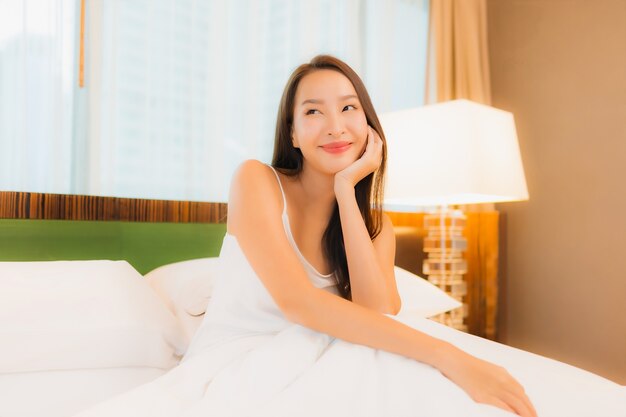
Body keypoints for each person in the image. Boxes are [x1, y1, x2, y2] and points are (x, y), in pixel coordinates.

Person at [73, 55, 539, 417]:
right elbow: (303, 305)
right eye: (313, 112)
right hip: (237, 364)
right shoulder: (255, 181)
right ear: (293, 133)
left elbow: (376, 314)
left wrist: (345, 193)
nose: (335, 126)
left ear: (369, 127)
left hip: (322, 359)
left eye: (348, 108)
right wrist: (450, 356)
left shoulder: (377, 225)